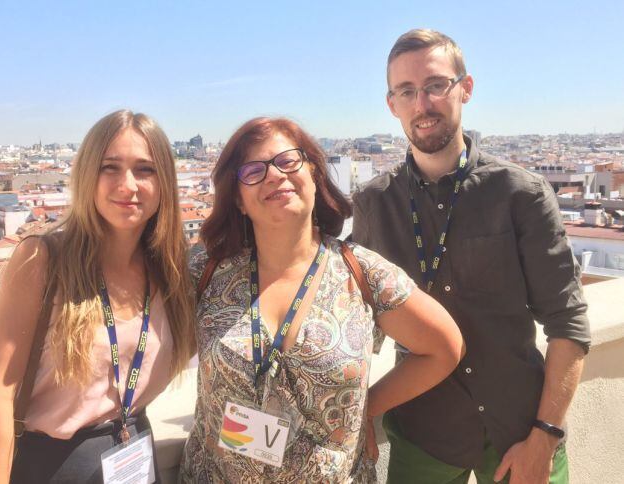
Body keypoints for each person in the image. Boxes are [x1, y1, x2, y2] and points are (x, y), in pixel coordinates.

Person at [351, 29, 592, 484]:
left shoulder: (520, 193)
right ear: (392, 104)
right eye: (407, 91)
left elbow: (569, 323)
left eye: (436, 85)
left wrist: (545, 437)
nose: (422, 104)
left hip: (521, 433)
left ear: (466, 88)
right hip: (425, 435)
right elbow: (361, 331)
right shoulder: (373, 205)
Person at [180, 116, 465, 482]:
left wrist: (369, 406)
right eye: (253, 170)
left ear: (314, 175)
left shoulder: (362, 272)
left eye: (287, 162)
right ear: (238, 200)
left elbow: (444, 347)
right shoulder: (206, 271)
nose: (274, 175)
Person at [0, 110, 195, 483]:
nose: (128, 185)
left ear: (165, 182)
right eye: (111, 167)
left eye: (145, 170)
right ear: (88, 174)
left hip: (136, 457)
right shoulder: (43, 260)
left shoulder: (170, 273)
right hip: (49, 469)